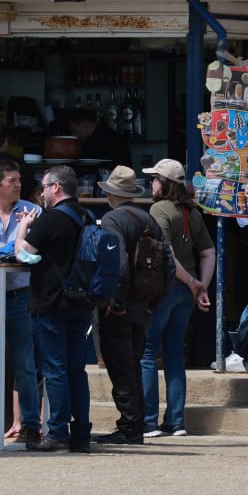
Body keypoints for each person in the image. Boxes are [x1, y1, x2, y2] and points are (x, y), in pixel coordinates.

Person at [94, 165, 184, 445]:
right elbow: (168, 263)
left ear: (111, 194)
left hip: (120, 305)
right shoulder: (148, 219)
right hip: (143, 305)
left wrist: (116, 301)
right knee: (133, 362)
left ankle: (130, 426)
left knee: (120, 365)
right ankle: (135, 424)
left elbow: (118, 264)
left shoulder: (112, 220)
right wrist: (154, 300)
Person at [16, 165, 93, 453]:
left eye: (45, 187)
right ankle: (81, 433)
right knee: (76, 369)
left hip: (51, 301)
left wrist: (23, 227)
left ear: (57, 188)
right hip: (81, 301)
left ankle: (58, 432)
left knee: (55, 369)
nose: (43, 192)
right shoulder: (86, 216)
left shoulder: (51, 220)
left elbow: (25, 255)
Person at [0, 157, 42, 445]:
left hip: (20, 296)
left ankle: (30, 424)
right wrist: (11, 250)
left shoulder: (33, 210)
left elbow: (30, 250)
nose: (18, 185)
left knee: (25, 364)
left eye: (19, 180)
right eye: (12, 181)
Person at [140, 159, 213, 437]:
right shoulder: (192, 211)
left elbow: (166, 253)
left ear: (165, 183)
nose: (152, 184)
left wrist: (194, 283)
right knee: (174, 354)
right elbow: (208, 252)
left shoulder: (158, 209)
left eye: (155, 179)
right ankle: (175, 421)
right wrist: (200, 285)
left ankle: (148, 421)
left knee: (147, 353)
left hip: (166, 287)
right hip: (186, 292)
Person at [66, 106, 132, 169]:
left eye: (74, 131)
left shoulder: (95, 142)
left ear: (83, 124)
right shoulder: (112, 136)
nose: (74, 135)